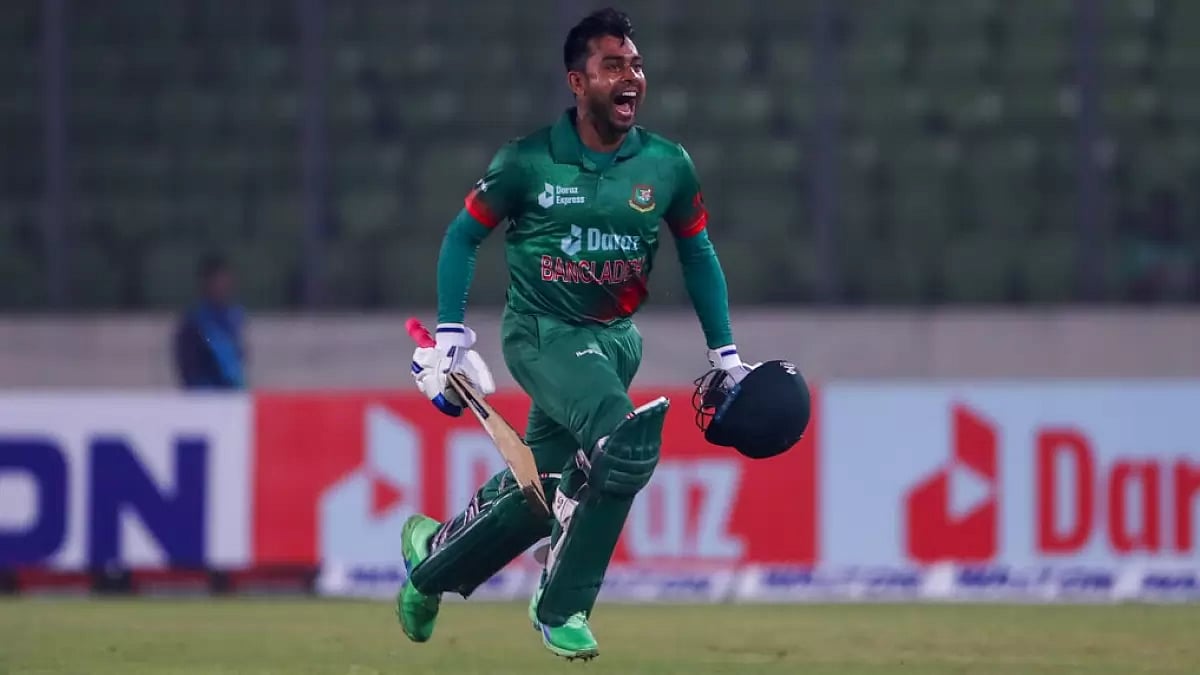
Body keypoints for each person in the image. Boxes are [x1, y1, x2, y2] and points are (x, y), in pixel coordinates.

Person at [396, 8, 756, 661]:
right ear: (577, 81)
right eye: (612, 66)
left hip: (615, 342)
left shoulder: (667, 165)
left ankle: (429, 563)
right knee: (624, 443)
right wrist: (448, 336)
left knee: (538, 491)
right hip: (542, 332)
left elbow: (699, 254)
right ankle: (561, 606)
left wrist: (726, 356)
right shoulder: (527, 163)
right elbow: (462, 237)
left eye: (636, 65)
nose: (630, 77)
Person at [172, 254, 247, 389]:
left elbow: (237, 360)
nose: (223, 286)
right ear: (206, 283)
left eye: (226, 280)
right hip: (205, 394)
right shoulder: (194, 321)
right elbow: (189, 367)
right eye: (218, 281)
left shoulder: (234, 317)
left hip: (232, 393)